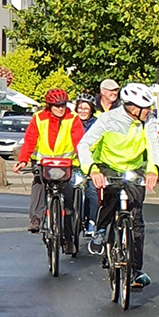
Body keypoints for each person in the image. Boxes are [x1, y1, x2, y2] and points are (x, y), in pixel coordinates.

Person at [78, 83, 159, 289]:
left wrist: (153, 169)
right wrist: (92, 169)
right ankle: (101, 230)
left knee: (136, 218)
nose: (150, 111)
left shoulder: (148, 121)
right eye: (147, 107)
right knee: (110, 200)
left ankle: (135, 270)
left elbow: (153, 145)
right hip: (107, 168)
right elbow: (84, 145)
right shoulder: (107, 119)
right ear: (133, 107)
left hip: (133, 170)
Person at [13, 88, 85, 239]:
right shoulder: (39, 118)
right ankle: (36, 219)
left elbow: (79, 142)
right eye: (56, 105)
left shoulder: (73, 118)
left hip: (67, 164)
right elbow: (30, 140)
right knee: (38, 184)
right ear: (49, 106)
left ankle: (68, 235)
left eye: (63, 105)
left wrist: (85, 163)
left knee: (69, 197)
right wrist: (23, 160)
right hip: (43, 163)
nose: (60, 108)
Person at [74, 94, 100, 234]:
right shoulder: (71, 122)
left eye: (86, 108)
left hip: (91, 164)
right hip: (74, 164)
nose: (83, 111)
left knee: (92, 193)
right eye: (80, 108)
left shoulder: (96, 124)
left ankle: (92, 220)